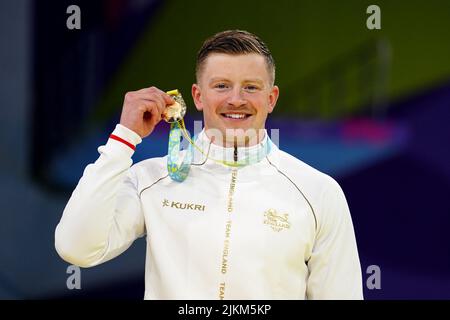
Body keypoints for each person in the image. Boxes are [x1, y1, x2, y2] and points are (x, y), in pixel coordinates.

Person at [55, 30, 363, 299]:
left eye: (251, 87)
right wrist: (123, 139)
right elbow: (76, 247)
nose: (236, 99)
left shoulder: (318, 192)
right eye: (221, 86)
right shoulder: (152, 177)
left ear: (272, 98)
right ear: (197, 96)